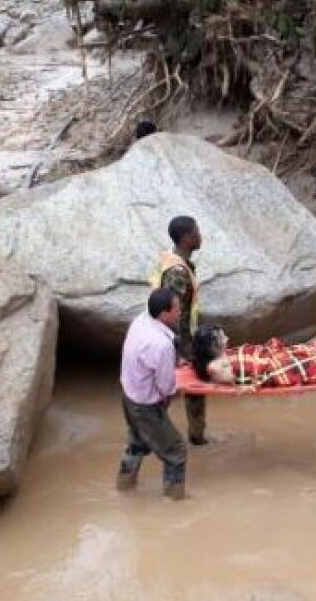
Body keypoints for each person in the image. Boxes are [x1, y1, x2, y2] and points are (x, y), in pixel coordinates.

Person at [116, 288, 188, 501]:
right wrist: (177, 390)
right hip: (146, 405)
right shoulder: (162, 344)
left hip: (129, 396)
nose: (180, 311)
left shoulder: (140, 320)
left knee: (137, 444)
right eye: (177, 309)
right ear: (164, 314)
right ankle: (174, 502)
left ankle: (123, 488)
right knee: (176, 451)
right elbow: (166, 387)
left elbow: (147, 360)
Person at [152, 215, 209, 445]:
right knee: (170, 391)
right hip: (178, 344)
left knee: (190, 391)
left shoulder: (176, 263)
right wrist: (179, 353)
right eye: (197, 231)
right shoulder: (177, 271)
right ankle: (147, 438)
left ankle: (197, 438)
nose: (200, 235)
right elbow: (171, 313)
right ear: (187, 238)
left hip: (184, 342)